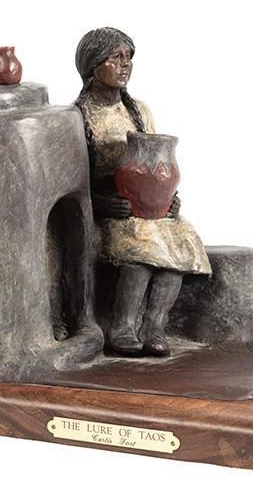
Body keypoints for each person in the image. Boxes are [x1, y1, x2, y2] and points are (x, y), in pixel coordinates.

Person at [73, 28, 211, 356]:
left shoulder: (139, 111)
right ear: (92, 64)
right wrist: (102, 204)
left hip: (145, 208)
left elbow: (154, 162)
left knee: (179, 246)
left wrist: (167, 198)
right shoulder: (77, 117)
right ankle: (122, 326)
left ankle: (154, 326)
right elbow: (71, 183)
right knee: (142, 255)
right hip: (108, 210)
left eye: (129, 57)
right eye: (115, 57)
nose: (125, 64)